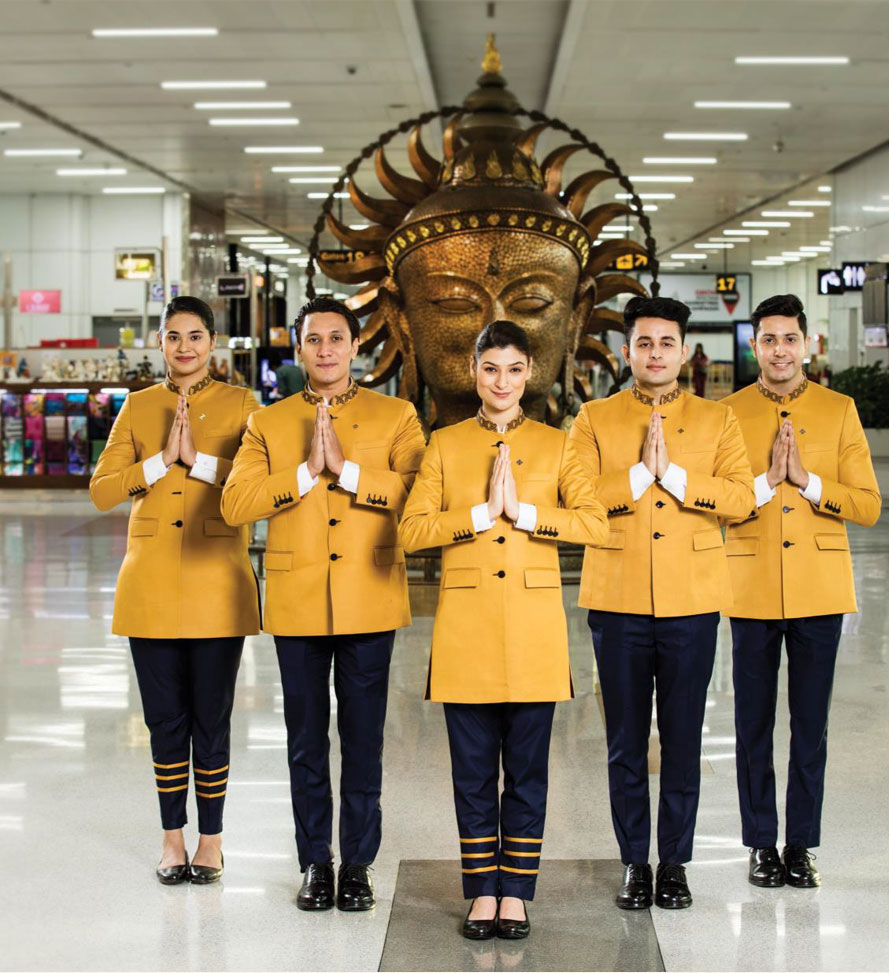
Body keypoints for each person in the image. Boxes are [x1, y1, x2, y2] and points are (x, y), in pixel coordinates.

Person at [399, 320, 608, 940]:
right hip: (464, 631)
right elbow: (411, 532)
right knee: (470, 772)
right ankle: (479, 890)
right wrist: (478, 516)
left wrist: (526, 515)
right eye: (491, 368)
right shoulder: (444, 444)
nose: (502, 381)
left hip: (535, 631)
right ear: (473, 371)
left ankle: (515, 890)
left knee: (527, 769)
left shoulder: (557, 443)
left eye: (514, 370)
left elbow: (595, 524)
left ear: (529, 374)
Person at [221, 297, 426, 912]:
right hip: (298, 602)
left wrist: (353, 473)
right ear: (299, 346)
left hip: (370, 597)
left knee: (363, 741)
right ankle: (315, 861)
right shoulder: (268, 422)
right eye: (315, 340)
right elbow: (236, 505)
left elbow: (419, 495)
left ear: (355, 346)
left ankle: (358, 863)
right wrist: (308, 473)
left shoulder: (397, 415)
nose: (327, 349)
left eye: (338, 338)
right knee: (306, 741)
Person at [568, 296, 754, 911]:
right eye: (643, 343)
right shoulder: (593, 418)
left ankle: (673, 862)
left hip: (692, 599)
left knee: (681, 739)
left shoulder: (717, 419)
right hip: (617, 597)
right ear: (627, 351)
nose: (654, 353)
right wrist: (638, 478)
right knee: (624, 741)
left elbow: (739, 499)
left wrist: (672, 476)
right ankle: (632, 862)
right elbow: (578, 501)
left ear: (682, 351)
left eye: (666, 343)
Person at [90, 295, 260, 885]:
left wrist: (201, 462)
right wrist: (162, 462)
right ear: (159, 343)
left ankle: (209, 841)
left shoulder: (243, 405)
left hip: (219, 581)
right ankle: (171, 839)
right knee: (164, 720)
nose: (183, 347)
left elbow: (254, 487)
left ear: (212, 343)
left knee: (211, 719)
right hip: (150, 585)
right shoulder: (136, 408)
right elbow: (102, 490)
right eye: (172, 337)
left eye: (194, 336)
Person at [722, 294, 881, 889]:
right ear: (756, 346)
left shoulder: (839, 410)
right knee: (753, 725)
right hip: (750, 588)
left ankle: (801, 844)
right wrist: (765, 485)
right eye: (769, 339)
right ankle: (762, 843)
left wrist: (809, 482)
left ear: (806, 344)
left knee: (809, 725)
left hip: (820, 591)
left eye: (790, 338)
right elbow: (714, 505)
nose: (780, 349)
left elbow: (867, 504)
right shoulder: (728, 413)